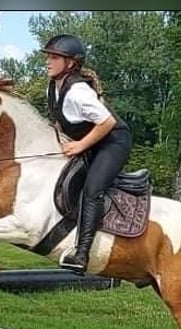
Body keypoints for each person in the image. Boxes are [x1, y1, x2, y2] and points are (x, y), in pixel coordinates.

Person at [41, 33, 132, 274]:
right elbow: (64, 121)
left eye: (54, 57)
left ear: (71, 63)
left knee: (92, 190)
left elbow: (107, 121)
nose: (48, 61)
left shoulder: (78, 91)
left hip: (113, 142)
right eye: (48, 56)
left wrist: (80, 146)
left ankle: (81, 254)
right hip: (93, 141)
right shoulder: (54, 86)